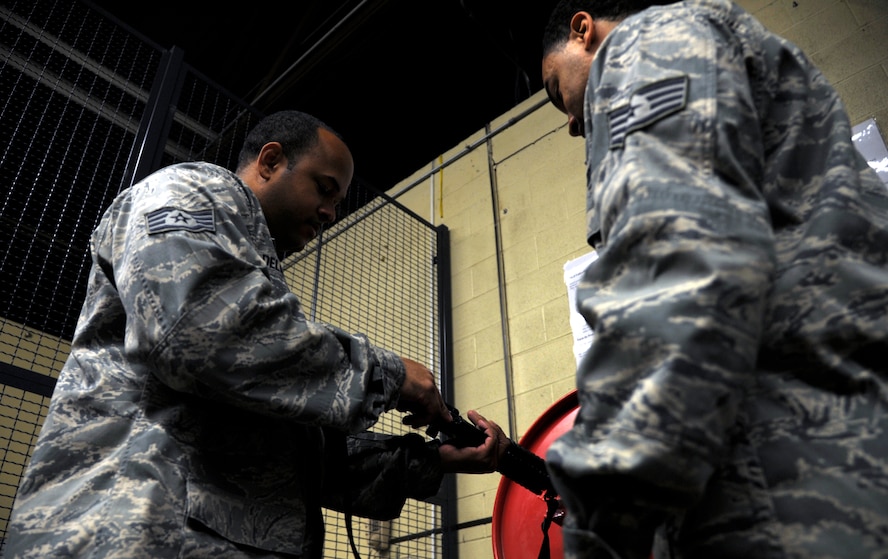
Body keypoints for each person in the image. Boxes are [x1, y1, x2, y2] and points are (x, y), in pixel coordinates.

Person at [6, 110, 509, 558]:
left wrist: (430, 460)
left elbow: (285, 460)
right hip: (128, 531)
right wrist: (389, 376)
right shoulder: (191, 190)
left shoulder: (257, 305)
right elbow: (193, 333)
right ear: (270, 161)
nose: (332, 212)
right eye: (324, 188)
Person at [540, 1, 888, 558]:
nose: (571, 123)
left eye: (557, 92)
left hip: (787, 476)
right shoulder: (731, 51)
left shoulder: (645, 45)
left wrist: (598, 526)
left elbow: (674, 279)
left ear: (584, 31)